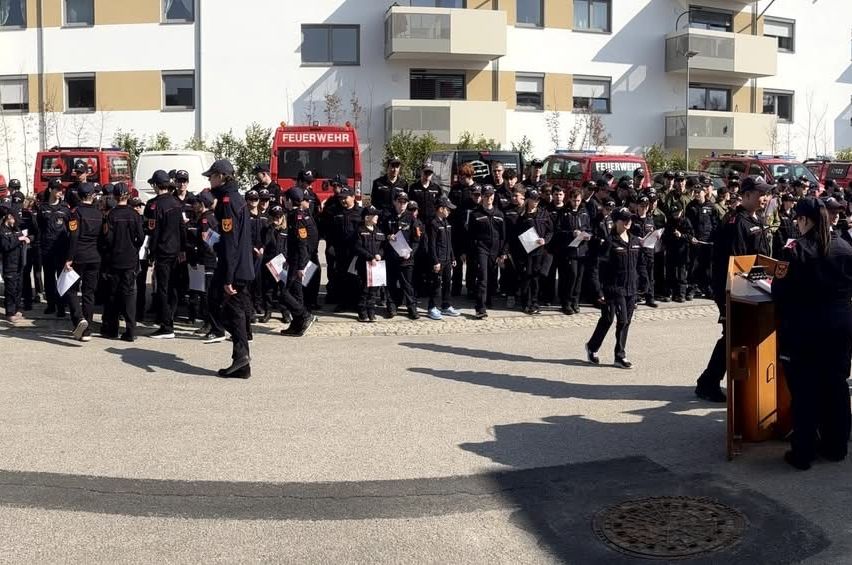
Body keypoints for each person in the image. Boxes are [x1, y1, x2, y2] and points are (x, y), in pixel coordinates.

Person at [772, 197, 852, 470]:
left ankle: (803, 453)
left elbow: (778, 291)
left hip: (805, 329)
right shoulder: (844, 247)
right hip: (839, 326)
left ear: (804, 220)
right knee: (837, 386)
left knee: (805, 391)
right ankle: (836, 446)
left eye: (798, 219)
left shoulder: (795, 249)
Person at [696, 177, 771, 402]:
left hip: (751, 287)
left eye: (766, 194)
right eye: (760, 194)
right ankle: (707, 383)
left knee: (736, 334)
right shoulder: (737, 222)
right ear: (746, 195)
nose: (765, 198)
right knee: (731, 335)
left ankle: (728, 381)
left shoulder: (754, 218)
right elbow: (739, 264)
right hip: (734, 288)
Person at [205, 159, 255, 378]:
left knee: (222, 307)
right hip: (239, 265)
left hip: (232, 267)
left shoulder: (227, 201)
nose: (209, 179)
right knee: (238, 310)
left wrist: (228, 277)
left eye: (212, 176)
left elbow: (232, 241)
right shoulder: (235, 198)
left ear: (222, 176)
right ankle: (241, 363)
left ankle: (242, 354)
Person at [585, 207, 642, 369]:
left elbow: (641, 265)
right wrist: (598, 290)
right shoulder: (610, 242)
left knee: (611, 319)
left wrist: (645, 284)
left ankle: (592, 346)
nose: (628, 222)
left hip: (631, 288)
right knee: (621, 320)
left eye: (629, 219)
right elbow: (596, 267)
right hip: (614, 288)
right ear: (616, 221)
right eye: (624, 219)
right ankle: (620, 356)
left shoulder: (636, 241)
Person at [144, 170, 187, 339]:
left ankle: (166, 326)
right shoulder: (177, 203)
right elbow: (182, 228)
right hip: (176, 251)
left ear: (155, 185)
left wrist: (151, 253)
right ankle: (171, 318)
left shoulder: (156, 205)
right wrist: (183, 249)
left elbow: (154, 232)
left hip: (163, 251)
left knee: (162, 288)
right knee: (172, 287)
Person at [100, 183, 145, 341]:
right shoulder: (134, 214)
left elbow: (107, 239)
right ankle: (130, 330)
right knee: (129, 295)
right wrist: (133, 248)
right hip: (131, 259)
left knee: (113, 294)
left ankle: (112, 329)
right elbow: (141, 237)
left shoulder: (111, 215)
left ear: (114, 196)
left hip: (114, 259)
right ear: (128, 196)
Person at [65, 182, 103, 342]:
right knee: (89, 293)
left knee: (71, 289)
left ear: (78, 195)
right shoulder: (99, 213)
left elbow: (73, 236)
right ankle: (86, 330)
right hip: (95, 256)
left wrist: (69, 258)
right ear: (92, 195)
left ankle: (79, 318)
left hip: (79, 256)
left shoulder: (75, 212)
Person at [279, 188, 318, 337]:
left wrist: (301, 266)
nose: (284, 201)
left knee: (283, 293)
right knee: (296, 294)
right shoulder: (296, 215)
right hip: (293, 260)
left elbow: (302, 243)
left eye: (285, 199)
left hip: (297, 262)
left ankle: (304, 315)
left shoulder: (298, 218)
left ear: (289, 200)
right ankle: (297, 324)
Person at [187, 190, 225, 343]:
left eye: (196, 203)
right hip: (210, 260)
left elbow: (206, 242)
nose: (194, 205)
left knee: (208, 295)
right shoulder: (211, 217)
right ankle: (209, 323)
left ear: (202, 204)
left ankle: (214, 326)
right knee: (206, 294)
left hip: (208, 261)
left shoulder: (205, 220)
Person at [381, 192, 423, 319]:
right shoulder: (388, 217)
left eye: (404, 202)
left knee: (407, 284)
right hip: (391, 256)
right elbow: (380, 233)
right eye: (399, 201)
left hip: (406, 257)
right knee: (391, 283)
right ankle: (392, 307)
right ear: (395, 202)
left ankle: (412, 308)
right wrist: (387, 236)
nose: (402, 204)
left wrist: (411, 253)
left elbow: (416, 239)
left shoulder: (411, 218)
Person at [468, 186, 506, 319]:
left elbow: (503, 236)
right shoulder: (475, 214)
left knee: (492, 277)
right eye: (486, 195)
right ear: (482, 197)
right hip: (481, 249)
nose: (489, 198)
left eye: (491, 195)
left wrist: (503, 252)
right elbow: (470, 235)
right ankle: (480, 308)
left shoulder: (499, 214)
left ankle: (489, 299)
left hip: (495, 250)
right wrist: (472, 253)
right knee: (483, 278)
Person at [553, 187, 591, 314]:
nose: (576, 203)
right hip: (569, 251)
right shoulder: (564, 212)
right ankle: (566, 302)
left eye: (578, 200)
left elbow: (589, 228)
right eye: (574, 200)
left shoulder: (584, 212)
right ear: (570, 199)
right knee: (571, 276)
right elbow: (558, 231)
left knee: (579, 277)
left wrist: (587, 235)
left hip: (582, 249)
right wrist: (571, 233)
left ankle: (575, 301)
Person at [38, 178, 72, 317]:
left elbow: (71, 227)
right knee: (49, 278)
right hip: (47, 248)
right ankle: (51, 304)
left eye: (61, 189)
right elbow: (39, 227)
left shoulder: (65, 208)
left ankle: (61, 306)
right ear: (50, 190)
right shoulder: (42, 208)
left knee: (61, 277)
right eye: (57, 189)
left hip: (61, 248)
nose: (60, 191)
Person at [518, 189, 553, 314]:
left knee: (536, 277)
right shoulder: (521, 215)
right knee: (526, 276)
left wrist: (545, 240)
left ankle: (534, 302)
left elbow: (550, 231)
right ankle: (525, 302)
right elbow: (516, 234)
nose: (536, 202)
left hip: (539, 250)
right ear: (528, 200)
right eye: (533, 199)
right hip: (526, 251)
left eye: (538, 199)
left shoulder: (544, 214)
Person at [426, 196, 459, 320]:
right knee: (435, 284)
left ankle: (446, 305)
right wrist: (435, 261)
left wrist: (452, 257)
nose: (449, 211)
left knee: (447, 283)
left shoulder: (446, 222)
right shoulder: (433, 223)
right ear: (441, 209)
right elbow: (431, 244)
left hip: (447, 259)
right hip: (438, 260)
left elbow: (449, 242)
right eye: (448, 209)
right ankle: (431, 307)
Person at [352, 206, 387, 323]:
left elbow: (383, 246)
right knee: (364, 289)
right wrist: (370, 257)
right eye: (374, 215)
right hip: (364, 265)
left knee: (374, 290)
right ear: (367, 217)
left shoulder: (379, 230)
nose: (377, 217)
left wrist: (379, 255)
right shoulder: (359, 230)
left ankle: (371, 311)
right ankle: (362, 312)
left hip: (376, 266)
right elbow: (357, 247)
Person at [0, 205, 30, 324]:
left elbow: (23, 237)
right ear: (9, 217)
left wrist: (27, 239)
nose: (16, 222)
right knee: (10, 289)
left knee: (18, 288)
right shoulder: (2, 230)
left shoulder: (16, 228)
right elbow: (5, 246)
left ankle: (16, 309)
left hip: (19, 263)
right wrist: (19, 239)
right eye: (14, 219)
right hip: (9, 264)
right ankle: (10, 312)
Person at [630, 195, 657, 308]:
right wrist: (637, 239)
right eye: (642, 206)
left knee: (650, 275)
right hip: (636, 251)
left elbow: (654, 232)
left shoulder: (650, 219)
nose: (644, 209)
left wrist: (657, 235)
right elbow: (628, 234)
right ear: (637, 206)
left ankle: (650, 297)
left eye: (646, 206)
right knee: (636, 276)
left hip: (648, 251)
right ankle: (634, 298)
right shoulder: (632, 220)